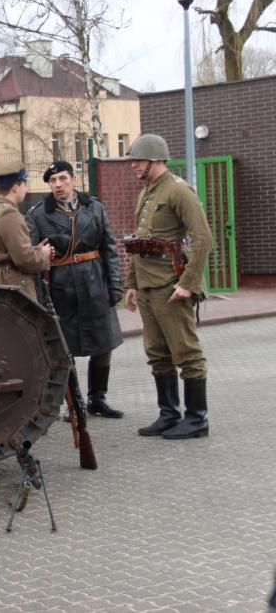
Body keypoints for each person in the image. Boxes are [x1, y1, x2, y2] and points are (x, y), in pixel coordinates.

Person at [121, 134, 213, 439]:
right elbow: (139, 242)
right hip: (147, 285)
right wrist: (132, 284)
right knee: (157, 353)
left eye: (138, 160)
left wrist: (187, 284)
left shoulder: (178, 191)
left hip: (171, 286)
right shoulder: (146, 192)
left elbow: (203, 239)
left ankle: (197, 418)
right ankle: (169, 414)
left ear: (156, 159)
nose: (134, 165)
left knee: (186, 352)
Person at [26, 160, 124, 418]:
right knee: (65, 347)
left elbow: (110, 249)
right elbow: (33, 259)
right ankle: (74, 402)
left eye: (62, 179)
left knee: (104, 343)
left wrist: (115, 284)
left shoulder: (94, 207)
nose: (57, 185)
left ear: (74, 179)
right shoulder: (38, 214)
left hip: (95, 281)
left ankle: (98, 399)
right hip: (62, 286)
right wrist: (38, 297)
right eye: (52, 181)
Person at [0, 161, 52, 301]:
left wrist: (35, 249)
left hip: (1, 280)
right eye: (24, 184)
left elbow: (9, 251)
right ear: (15, 187)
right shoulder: (9, 214)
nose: (26, 189)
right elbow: (25, 260)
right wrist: (44, 255)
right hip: (14, 284)